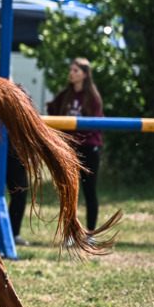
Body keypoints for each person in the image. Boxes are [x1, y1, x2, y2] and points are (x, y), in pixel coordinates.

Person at [47, 57, 103, 230]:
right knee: (69, 192)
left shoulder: (92, 96)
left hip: (89, 148)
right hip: (69, 149)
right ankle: (70, 231)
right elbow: (52, 109)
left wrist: (78, 137)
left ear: (85, 75)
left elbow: (96, 122)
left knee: (89, 191)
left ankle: (91, 232)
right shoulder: (65, 95)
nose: (71, 73)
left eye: (75, 70)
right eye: (71, 70)